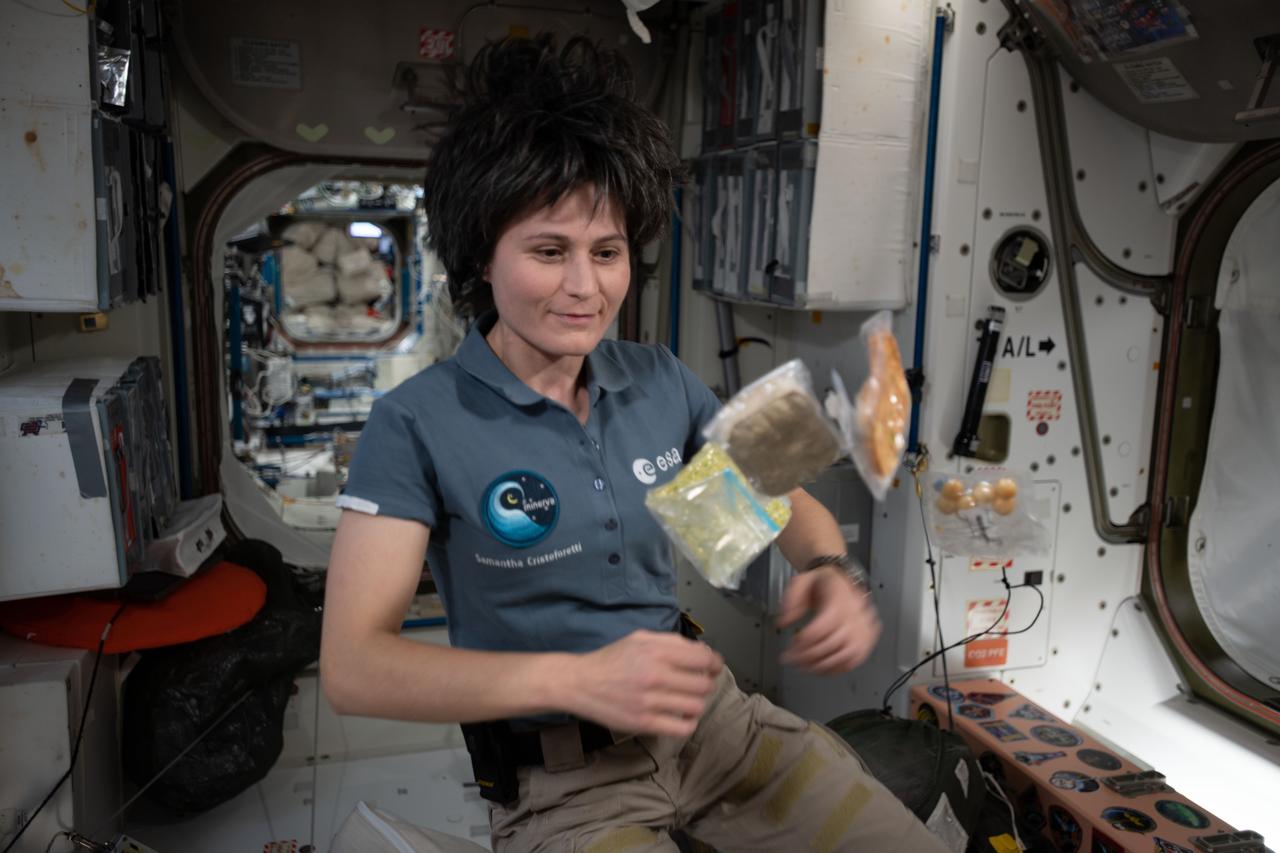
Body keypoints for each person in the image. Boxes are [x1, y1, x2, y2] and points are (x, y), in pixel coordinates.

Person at [321, 34, 947, 853]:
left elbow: (782, 504)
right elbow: (354, 667)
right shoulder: (416, 423)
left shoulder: (661, 381)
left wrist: (827, 572)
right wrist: (577, 678)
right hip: (564, 782)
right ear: (482, 255)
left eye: (607, 252)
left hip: (717, 727)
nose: (586, 286)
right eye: (550, 251)